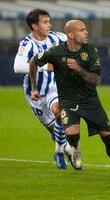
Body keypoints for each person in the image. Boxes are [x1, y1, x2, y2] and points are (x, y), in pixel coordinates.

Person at [29, 20, 110, 180]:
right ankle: (75, 149)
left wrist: (79, 69)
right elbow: (33, 62)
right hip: (68, 102)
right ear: (71, 34)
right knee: (72, 134)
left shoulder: (91, 51)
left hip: (90, 102)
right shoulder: (56, 52)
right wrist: (34, 87)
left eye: (86, 29)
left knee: (107, 137)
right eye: (82, 30)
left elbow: (96, 80)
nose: (86, 32)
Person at [13, 9, 73, 169]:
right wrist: (46, 66)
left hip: (54, 87)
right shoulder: (27, 44)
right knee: (54, 131)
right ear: (34, 26)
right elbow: (18, 67)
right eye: (45, 22)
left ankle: (60, 150)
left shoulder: (57, 37)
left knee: (59, 113)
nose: (49, 25)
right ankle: (64, 148)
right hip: (35, 93)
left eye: (49, 21)